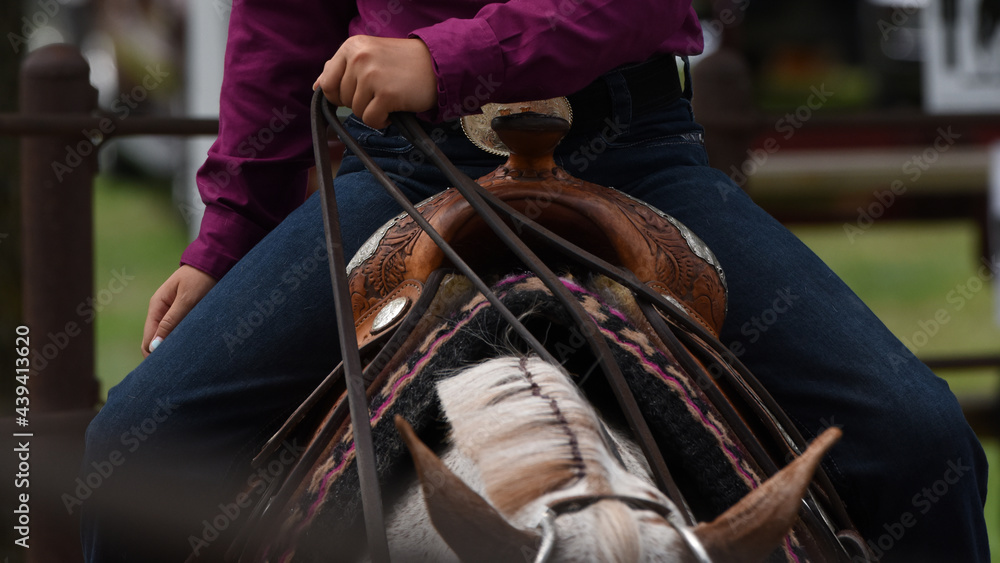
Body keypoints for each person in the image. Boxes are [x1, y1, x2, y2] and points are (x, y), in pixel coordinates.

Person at [80, 0, 990, 561]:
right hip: (404, 162)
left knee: (919, 438)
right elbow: (280, 35)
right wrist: (227, 240)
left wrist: (447, 60)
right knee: (137, 444)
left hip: (628, 151)